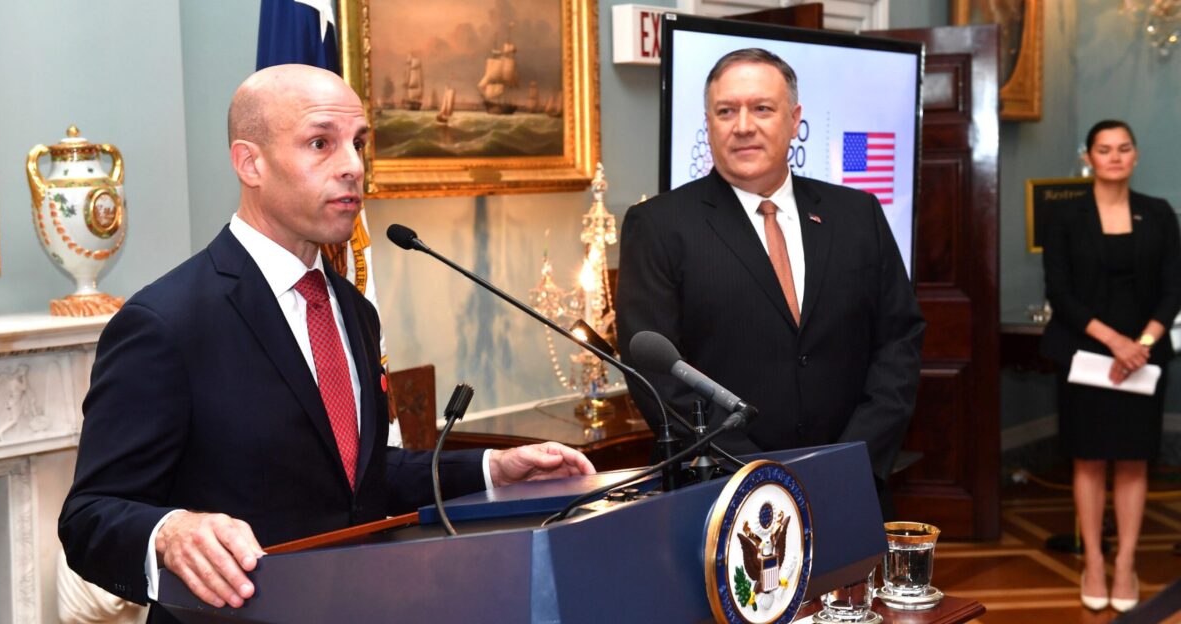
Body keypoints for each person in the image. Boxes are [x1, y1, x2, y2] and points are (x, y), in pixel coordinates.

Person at [58, 64, 594, 621]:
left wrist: (490, 470)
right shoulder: (165, 322)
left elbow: (359, 481)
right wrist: (170, 531)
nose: (353, 167)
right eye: (321, 143)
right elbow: (89, 516)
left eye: (359, 144)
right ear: (250, 163)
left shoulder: (352, 309)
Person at [616, 48, 924, 515]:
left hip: (850, 483)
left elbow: (898, 341)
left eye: (761, 108)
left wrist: (852, 458)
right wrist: (760, 476)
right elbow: (659, 377)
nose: (743, 125)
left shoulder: (857, 214)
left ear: (795, 118)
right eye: (726, 111)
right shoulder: (658, 226)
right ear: (709, 122)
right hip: (720, 493)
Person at [1040, 119, 1181, 613]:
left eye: (1124, 148)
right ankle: (1095, 562)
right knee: (1090, 458)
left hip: (1144, 357)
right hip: (1086, 355)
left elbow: (1173, 289)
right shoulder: (1065, 216)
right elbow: (1060, 292)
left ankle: (1125, 563)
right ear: (1089, 157)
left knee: (1134, 459)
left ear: (1135, 156)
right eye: (1105, 149)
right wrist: (1115, 342)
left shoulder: (1160, 214)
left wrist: (1140, 343)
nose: (1115, 156)